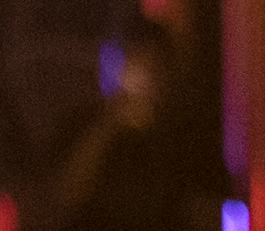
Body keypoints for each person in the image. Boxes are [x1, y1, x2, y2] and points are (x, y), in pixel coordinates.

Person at [40, 21, 221, 231]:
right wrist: (108, 124)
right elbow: (65, 194)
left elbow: (205, 205)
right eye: (136, 63)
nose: (144, 78)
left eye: (154, 67)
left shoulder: (185, 138)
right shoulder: (87, 122)